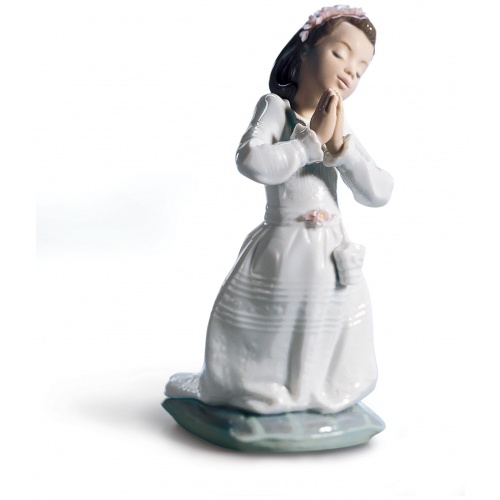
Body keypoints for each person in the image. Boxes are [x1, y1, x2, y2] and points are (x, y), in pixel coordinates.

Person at [166, 5, 393, 415]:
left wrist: (342, 153)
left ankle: (314, 393)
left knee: (328, 328)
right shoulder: (276, 109)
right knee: (275, 324)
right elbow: (251, 160)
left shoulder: (341, 129)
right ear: (304, 50)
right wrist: (308, 144)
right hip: (286, 245)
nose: (350, 71)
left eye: (361, 69)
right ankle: (264, 389)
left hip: (330, 250)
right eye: (340, 53)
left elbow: (380, 190)